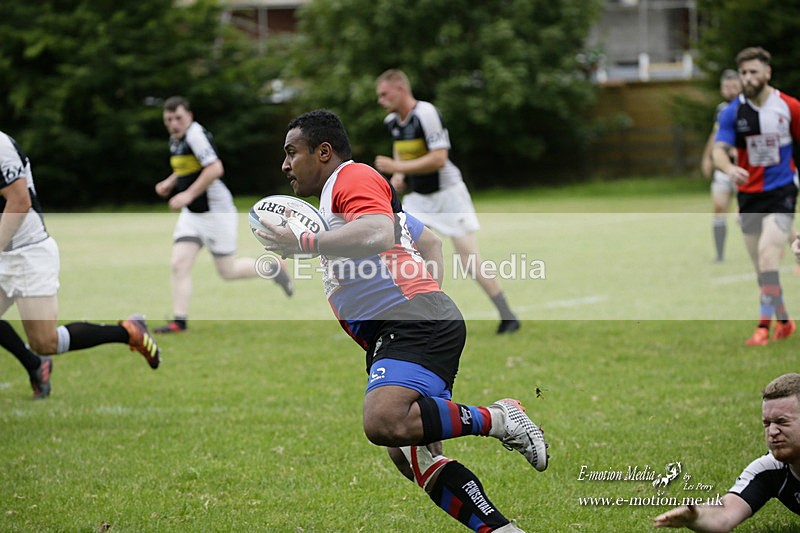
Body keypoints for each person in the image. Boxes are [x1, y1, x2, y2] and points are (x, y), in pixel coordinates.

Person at [256, 109, 548, 532]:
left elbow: (377, 231)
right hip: (400, 327)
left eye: (291, 152)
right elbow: (426, 240)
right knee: (411, 453)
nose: (285, 165)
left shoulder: (351, 178)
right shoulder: (338, 200)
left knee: (384, 421)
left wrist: (307, 241)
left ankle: (499, 418)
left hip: (411, 321)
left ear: (323, 152)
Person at [0, 129, 160, 399]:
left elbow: (19, 201)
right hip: (6, 251)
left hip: (27, 253)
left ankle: (127, 332)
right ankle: (35, 365)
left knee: (45, 341)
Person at [373, 69, 521, 335]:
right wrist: (399, 174)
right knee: (401, 249)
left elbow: (439, 158)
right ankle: (415, 316)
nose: (381, 100)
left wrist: (396, 165)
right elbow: (402, 152)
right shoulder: (393, 122)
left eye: (384, 94)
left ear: (400, 90)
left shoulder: (426, 113)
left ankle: (507, 315)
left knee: (468, 258)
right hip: (419, 198)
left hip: (448, 195)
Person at [154, 96, 293, 334]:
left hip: (216, 214)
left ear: (189, 116)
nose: (174, 123)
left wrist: (186, 195)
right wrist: (170, 182)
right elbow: (187, 168)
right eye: (169, 119)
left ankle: (274, 267)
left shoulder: (195, 136)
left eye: (178, 118)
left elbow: (215, 168)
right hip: (193, 215)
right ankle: (179, 322)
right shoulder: (176, 138)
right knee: (178, 264)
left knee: (228, 271)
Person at [711, 47, 799, 346]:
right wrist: (728, 168)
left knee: (767, 255)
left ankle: (763, 327)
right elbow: (718, 150)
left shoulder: (789, 107)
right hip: (748, 197)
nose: (748, 78)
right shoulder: (732, 112)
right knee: (762, 268)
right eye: (743, 73)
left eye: (753, 72)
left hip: (782, 192)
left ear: (767, 73)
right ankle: (785, 320)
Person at [654, 372, 800, 531]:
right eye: (766, 423)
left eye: (782, 422)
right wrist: (697, 516)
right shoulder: (769, 468)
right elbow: (725, 515)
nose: (772, 431)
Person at [700, 69, 742, 263]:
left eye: (734, 86)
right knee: (719, 209)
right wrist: (707, 157)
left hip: (745, 171)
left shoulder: (747, 108)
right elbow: (715, 135)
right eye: (726, 86)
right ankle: (720, 255)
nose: (730, 90)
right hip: (724, 170)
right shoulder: (721, 110)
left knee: (748, 217)